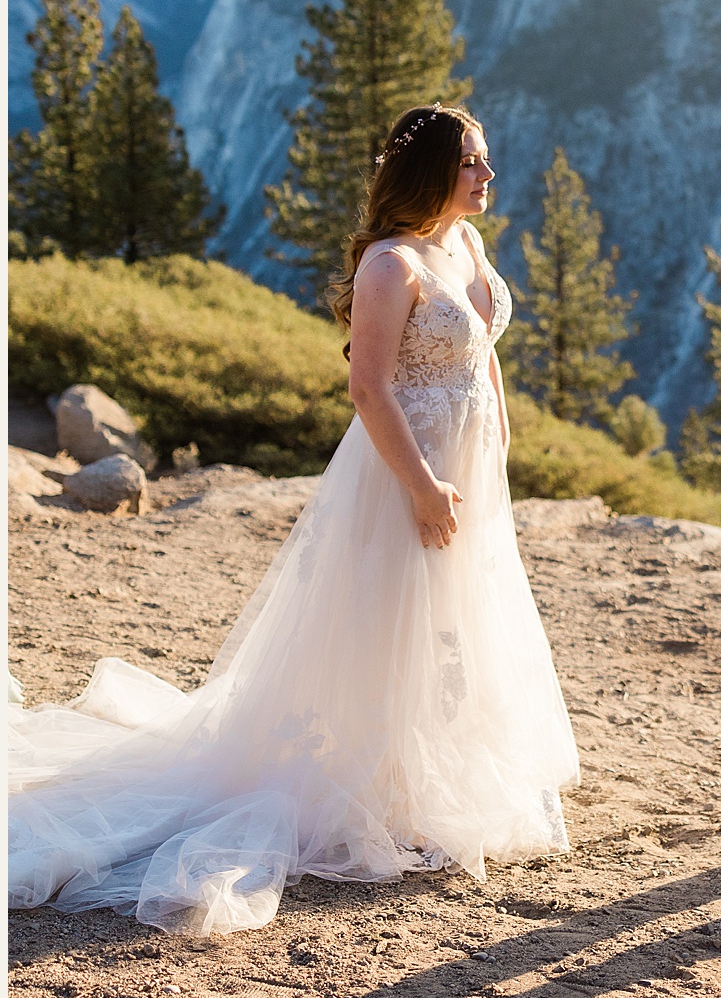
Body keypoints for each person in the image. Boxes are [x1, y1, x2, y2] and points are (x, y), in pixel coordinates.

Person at [8, 104, 578, 935]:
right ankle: (379, 787)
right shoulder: (390, 267)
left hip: (470, 464)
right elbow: (370, 387)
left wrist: (497, 441)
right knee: (393, 617)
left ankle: (430, 774)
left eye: (486, 161)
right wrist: (422, 485)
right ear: (430, 177)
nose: (489, 177)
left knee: (459, 617)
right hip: (404, 470)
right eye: (472, 164)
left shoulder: (468, 243)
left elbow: (480, 348)